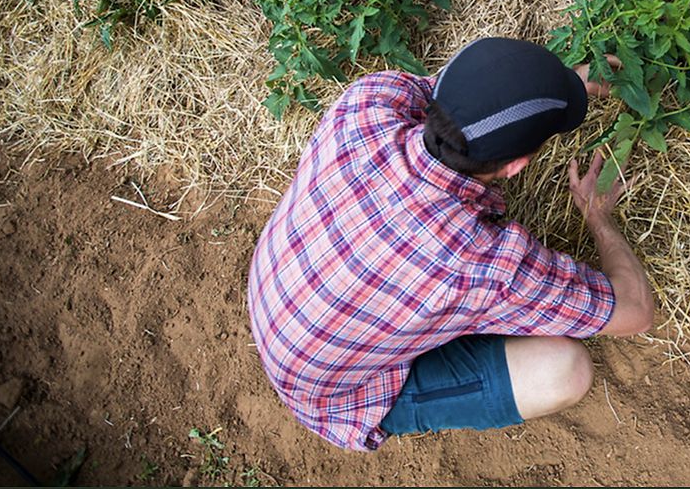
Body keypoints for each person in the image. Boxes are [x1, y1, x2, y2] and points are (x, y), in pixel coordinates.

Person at [247, 37, 655, 451]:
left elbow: (459, 96)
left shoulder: (368, 101)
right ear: (517, 166)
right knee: (565, 370)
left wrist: (564, 83)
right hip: (334, 396)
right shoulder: (480, 262)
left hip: (278, 298)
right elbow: (635, 311)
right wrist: (598, 218)